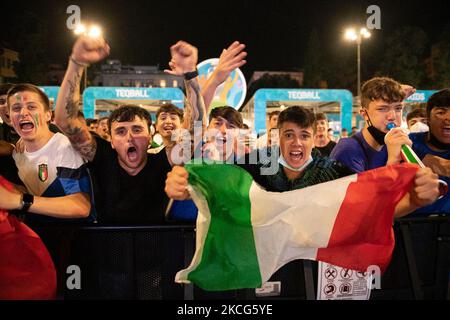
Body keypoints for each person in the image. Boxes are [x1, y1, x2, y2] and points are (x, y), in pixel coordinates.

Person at [166, 106, 440, 218]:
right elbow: (214, 196)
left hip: (312, 274)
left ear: (314, 139)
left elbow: (371, 210)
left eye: (304, 135)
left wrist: (414, 199)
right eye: (289, 135)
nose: (296, 143)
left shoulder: (335, 172)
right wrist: (186, 187)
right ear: (277, 137)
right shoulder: (254, 165)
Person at [54, 35, 204, 224]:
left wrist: (190, 75)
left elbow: (196, 130)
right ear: (111, 140)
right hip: (108, 248)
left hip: (157, 247)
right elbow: (64, 120)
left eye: (137, 129)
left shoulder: (164, 160)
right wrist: (77, 63)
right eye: (121, 131)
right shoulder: (101, 156)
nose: (130, 137)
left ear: (151, 134)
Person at [0, 83, 93, 223]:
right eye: (16, 108)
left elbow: (81, 206)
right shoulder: (17, 153)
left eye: (31, 107)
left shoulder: (64, 147)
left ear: (48, 114)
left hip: (79, 239)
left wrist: (19, 200)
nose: (23, 113)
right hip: (42, 238)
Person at [330, 77, 413, 173]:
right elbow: (356, 188)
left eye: (398, 108)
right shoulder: (348, 150)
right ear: (365, 114)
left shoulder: (392, 143)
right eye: (382, 109)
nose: (392, 116)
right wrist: (393, 162)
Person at [409, 88, 450, 216]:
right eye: (441, 112)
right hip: (412, 228)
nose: (448, 118)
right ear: (428, 119)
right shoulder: (408, 143)